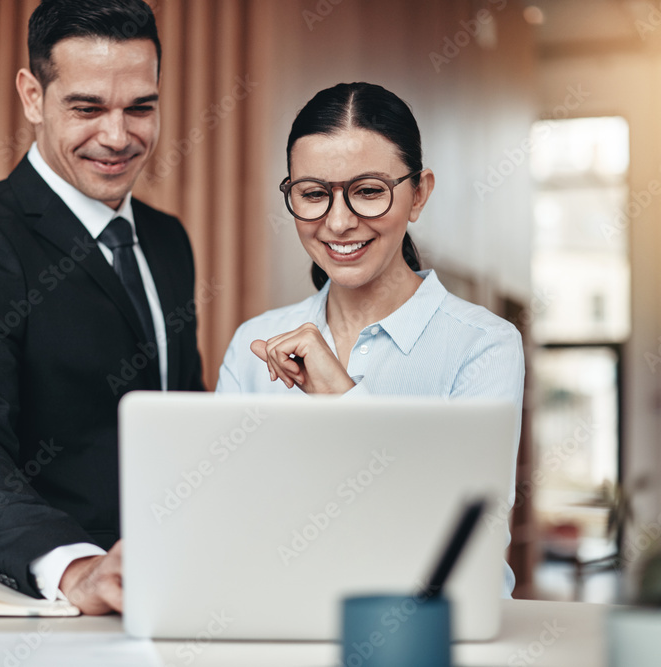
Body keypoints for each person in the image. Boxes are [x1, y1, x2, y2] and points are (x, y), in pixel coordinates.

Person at [0, 0, 204, 616]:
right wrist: (73, 566)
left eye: (141, 107)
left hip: (175, 588)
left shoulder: (169, 239)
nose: (119, 137)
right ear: (32, 96)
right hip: (55, 607)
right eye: (88, 107)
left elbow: (179, 411)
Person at [216, 82, 524, 594]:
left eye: (368, 191)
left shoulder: (483, 346)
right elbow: (228, 529)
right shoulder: (256, 343)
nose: (338, 222)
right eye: (313, 194)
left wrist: (342, 399)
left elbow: (466, 547)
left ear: (419, 194)